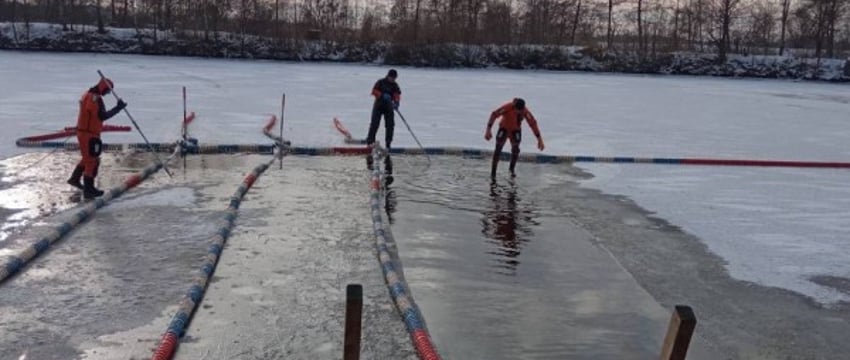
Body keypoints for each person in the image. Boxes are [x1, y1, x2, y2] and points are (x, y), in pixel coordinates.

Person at [66, 77, 127, 198]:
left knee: (87, 158)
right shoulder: (94, 98)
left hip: (86, 132)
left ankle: (75, 178)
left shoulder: (88, 94)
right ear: (103, 87)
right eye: (107, 91)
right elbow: (102, 116)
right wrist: (118, 108)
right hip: (88, 134)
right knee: (92, 161)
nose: (107, 93)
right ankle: (89, 189)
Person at [484, 98, 544, 179]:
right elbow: (494, 114)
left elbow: (532, 123)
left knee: (516, 149)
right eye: (516, 110)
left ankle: (511, 170)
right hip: (504, 128)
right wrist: (488, 130)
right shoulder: (508, 107)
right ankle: (493, 173)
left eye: (520, 111)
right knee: (498, 148)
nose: (518, 112)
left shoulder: (525, 111)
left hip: (515, 131)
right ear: (514, 106)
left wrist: (539, 139)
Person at [366, 69, 401, 149]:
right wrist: (382, 95)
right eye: (392, 77)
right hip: (378, 106)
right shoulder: (380, 82)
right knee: (374, 124)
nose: (393, 79)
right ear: (388, 76)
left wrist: (396, 102)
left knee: (390, 125)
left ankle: (388, 144)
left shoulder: (395, 85)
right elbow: (374, 91)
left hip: (389, 107)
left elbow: (397, 94)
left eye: (394, 78)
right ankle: (370, 142)